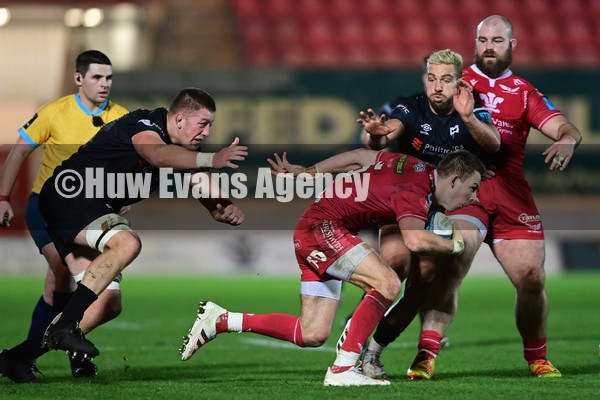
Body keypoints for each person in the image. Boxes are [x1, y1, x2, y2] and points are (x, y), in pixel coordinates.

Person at [358, 15, 581, 380]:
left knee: (532, 278)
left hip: (510, 193)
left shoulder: (524, 91)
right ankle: (425, 352)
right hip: (463, 192)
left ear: (512, 46)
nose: (489, 46)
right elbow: (404, 119)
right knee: (449, 267)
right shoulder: (455, 80)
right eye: (483, 39)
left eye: (497, 39)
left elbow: (562, 126)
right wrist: (379, 137)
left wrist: (568, 139)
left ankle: (537, 357)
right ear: (474, 44)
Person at [0, 88, 248, 384]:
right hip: (70, 196)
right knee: (127, 243)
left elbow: (198, 179)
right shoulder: (145, 126)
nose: (207, 132)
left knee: (108, 304)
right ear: (180, 119)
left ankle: (17, 358)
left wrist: (221, 206)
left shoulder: (180, 150)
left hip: (84, 208)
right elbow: (157, 154)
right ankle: (64, 326)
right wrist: (212, 159)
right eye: (203, 124)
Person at [180, 149, 486, 387]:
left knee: (311, 333)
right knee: (388, 283)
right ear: (454, 180)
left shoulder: (410, 163)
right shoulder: (416, 191)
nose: (473, 197)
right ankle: (343, 368)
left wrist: (308, 171)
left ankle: (220, 320)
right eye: (472, 187)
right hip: (324, 228)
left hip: (312, 229)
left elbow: (358, 158)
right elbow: (416, 241)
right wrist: (455, 245)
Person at [0, 50, 129, 381]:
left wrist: (123, 199)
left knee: (64, 288)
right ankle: (51, 354)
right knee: (65, 272)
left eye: (109, 77)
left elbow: (131, 167)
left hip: (91, 215)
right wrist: (3, 197)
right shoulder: (55, 112)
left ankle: (40, 354)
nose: (104, 84)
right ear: (78, 78)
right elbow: (18, 152)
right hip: (46, 206)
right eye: (97, 77)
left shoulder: (122, 117)